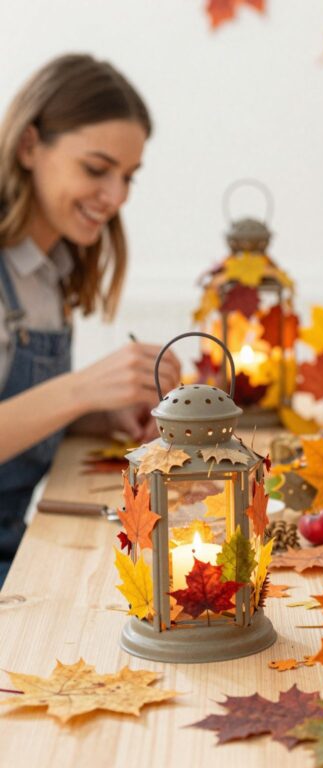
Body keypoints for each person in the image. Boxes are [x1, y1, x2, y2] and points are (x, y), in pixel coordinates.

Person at [0, 54, 180, 586]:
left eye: (128, 177)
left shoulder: (48, 272)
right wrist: (81, 389)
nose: (116, 197)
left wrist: (104, 413)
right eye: (96, 170)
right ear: (30, 146)